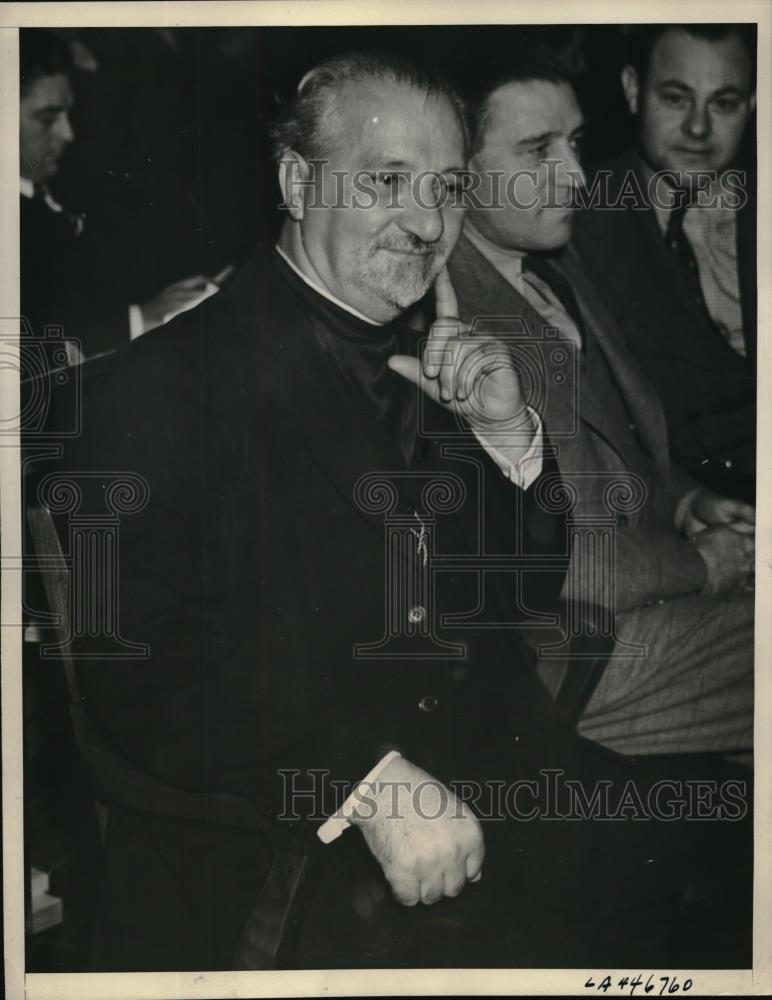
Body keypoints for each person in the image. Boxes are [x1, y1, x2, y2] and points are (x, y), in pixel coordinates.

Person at [52, 51, 749, 971]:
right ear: (298, 181)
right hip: (306, 849)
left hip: (507, 781)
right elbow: (142, 668)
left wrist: (508, 439)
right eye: (388, 180)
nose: (428, 223)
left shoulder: (426, 356)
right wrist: (368, 784)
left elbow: (514, 596)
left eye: (448, 187)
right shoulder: (155, 389)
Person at [445, 47, 754, 757]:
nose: (578, 177)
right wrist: (703, 564)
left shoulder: (551, 260)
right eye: (537, 151)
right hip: (569, 655)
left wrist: (686, 503)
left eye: (575, 143)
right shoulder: (452, 322)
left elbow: (614, 443)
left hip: (637, 601)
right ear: (457, 171)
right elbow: (545, 562)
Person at [572, 24, 756, 502]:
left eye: (724, 103)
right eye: (676, 98)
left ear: (754, 104)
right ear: (633, 90)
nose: (698, 128)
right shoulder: (572, 213)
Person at [20, 29, 218, 372]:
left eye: (67, 114)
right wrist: (138, 320)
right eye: (48, 118)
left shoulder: (42, 190)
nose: (68, 134)